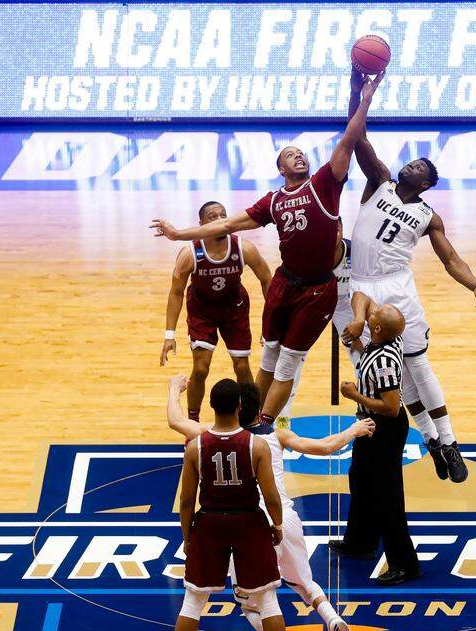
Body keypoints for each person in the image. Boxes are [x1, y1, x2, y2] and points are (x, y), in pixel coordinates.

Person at [151, 72, 386, 426]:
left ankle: (262, 427)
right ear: (280, 168)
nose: (299, 157)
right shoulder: (273, 201)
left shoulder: (324, 184)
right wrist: (178, 234)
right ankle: (247, 421)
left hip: (317, 289)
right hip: (284, 283)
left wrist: (364, 97)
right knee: (268, 358)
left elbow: (350, 137)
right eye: (291, 155)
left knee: (287, 363)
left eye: (302, 154)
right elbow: (226, 225)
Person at [341, 69, 476, 483]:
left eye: (418, 166)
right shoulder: (380, 182)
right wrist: (358, 92)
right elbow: (356, 137)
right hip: (360, 285)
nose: (409, 164)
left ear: (425, 183)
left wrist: (474, 284)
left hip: (396, 287)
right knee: (391, 371)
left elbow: (451, 259)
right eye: (410, 161)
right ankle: (430, 439)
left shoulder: (429, 216)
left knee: (418, 365)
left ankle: (449, 441)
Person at [166, 375, 371, 631]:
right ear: (255, 408)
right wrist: (354, 429)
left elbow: (175, 420)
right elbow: (325, 447)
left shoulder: (212, 436)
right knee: (304, 583)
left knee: (252, 605)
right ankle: (332, 618)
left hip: (253, 524)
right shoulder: (278, 435)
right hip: (285, 517)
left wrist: (174, 388)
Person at [154, 379, 306, 631]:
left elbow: (185, 500)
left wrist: (187, 536)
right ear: (240, 406)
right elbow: (272, 496)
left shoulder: (196, 446)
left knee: (193, 601)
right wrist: (277, 525)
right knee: (267, 601)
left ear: (211, 406)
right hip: (249, 522)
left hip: (210, 523)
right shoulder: (257, 445)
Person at [331, 292, 421, 585]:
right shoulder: (391, 337)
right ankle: (361, 542)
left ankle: (405, 564)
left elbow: (392, 408)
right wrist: (359, 321)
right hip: (370, 424)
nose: (370, 315)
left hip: (385, 427)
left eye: (373, 318)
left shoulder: (383, 362)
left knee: (387, 496)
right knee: (360, 478)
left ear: (378, 329)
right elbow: (363, 296)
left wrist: (354, 395)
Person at [160, 201, 273, 421]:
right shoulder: (190, 253)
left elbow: (267, 279)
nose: (220, 220)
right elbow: (176, 293)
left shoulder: (243, 248)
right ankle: (193, 422)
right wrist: (169, 335)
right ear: (201, 224)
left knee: (242, 366)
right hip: (202, 311)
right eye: (213, 217)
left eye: (223, 215)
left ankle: (250, 419)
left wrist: (271, 323)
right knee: (201, 368)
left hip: (235, 309)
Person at [279, 217, 360, 426]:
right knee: (292, 358)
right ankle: (281, 420)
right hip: (313, 303)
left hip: (344, 303)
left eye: (336, 228)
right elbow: (287, 290)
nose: (332, 234)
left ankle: (369, 409)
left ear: (342, 228)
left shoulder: (356, 253)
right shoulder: (305, 253)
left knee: (362, 351)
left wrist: (360, 319)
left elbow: (366, 288)